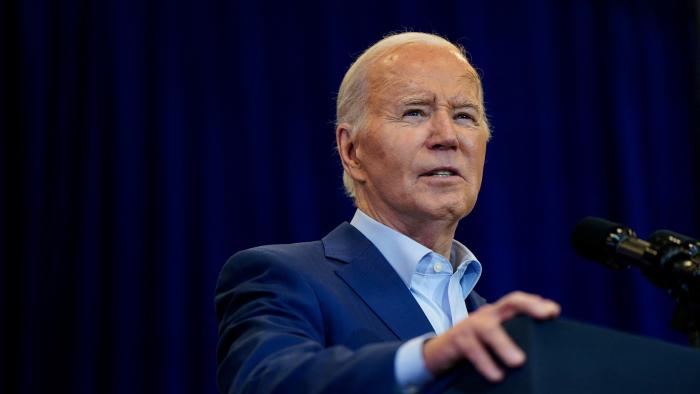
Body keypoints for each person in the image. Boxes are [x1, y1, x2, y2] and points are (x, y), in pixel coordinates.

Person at [215, 32, 560, 394]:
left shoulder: (491, 325)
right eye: (415, 112)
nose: (447, 136)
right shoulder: (283, 276)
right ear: (351, 151)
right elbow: (266, 382)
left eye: (464, 115)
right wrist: (426, 358)